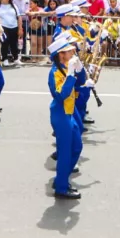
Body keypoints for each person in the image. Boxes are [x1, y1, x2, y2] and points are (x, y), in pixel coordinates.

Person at [47, 35, 82, 199]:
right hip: (61, 114)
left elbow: (77, 87)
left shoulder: (66, 67)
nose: (73, 53)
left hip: (69, 113)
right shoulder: (55, 73)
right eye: (69, 51)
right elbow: (61, 95)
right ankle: (61, 187)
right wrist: (70, 75)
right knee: (66, 151)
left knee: (77, 147)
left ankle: (61, 179)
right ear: (61, 55)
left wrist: (80, 73)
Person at [0, 0, 23, 66]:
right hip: (3, 27)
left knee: (14, 44)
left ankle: (15, 58)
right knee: (5, 43)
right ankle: (4, 59)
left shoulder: (14, 6)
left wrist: (20, 28)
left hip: (14, 27)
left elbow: (19, 17)